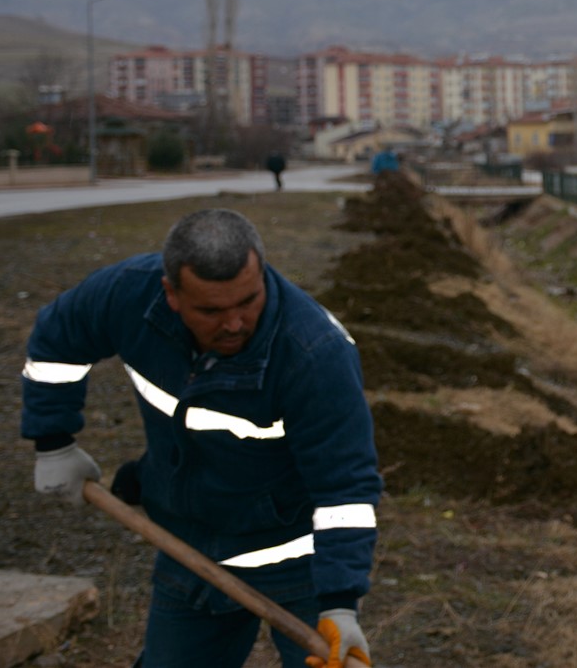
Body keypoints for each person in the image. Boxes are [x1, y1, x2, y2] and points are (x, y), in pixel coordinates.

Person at [22, 208, 381, 668]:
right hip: (188, 550)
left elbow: (345, 488)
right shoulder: (129, 296)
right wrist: (54, 441)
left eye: (248, 301)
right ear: (170, 293)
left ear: (262, 274)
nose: (234, 323)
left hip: (298, 567)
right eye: (211, 310)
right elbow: (58, 337)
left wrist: (340, 603)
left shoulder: (313, 354)